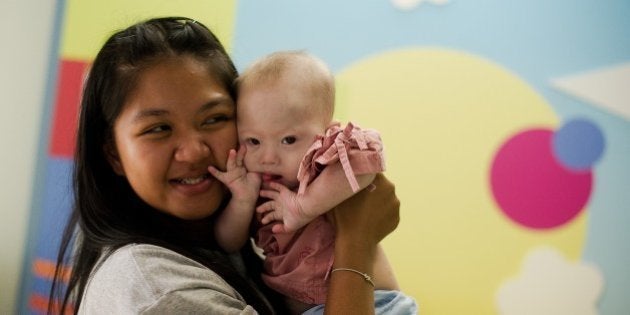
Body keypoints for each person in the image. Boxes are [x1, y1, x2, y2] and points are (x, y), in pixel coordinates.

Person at [48, 17, 401, 315]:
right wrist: (357, 238)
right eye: (158, 129)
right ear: (113, 154)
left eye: (214, 118)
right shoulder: (158, 291)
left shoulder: (213, 240)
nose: (193, 152)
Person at [209, 51, 417, 314]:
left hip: (378, 303)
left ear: (326, 131)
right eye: (253, 141)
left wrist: (304, 207)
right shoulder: (258, 188)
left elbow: (367, 165)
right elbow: (228, 242)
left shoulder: (323, 161)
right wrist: (242, 200)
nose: (268, 157)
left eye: (288, 140)